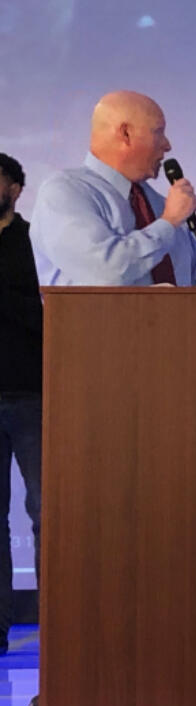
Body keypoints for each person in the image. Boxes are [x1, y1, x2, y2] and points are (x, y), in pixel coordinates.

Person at [31, 91, 196, 288]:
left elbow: (195, 280)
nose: (168, 145)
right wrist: (168, 223)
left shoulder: (165, 206)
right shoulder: (64, 192)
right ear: (126, 134)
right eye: (158, 132)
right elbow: (105, 272)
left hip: (176, 320)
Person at [0, 153, 40, 655]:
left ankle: (60, 621)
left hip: (33, 392)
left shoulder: (34, 240)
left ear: (15, 187)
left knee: (45, 512)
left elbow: (49, 309)